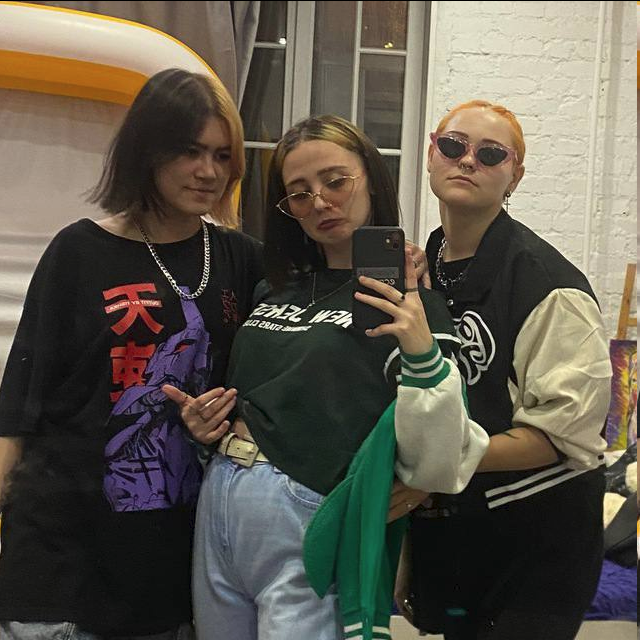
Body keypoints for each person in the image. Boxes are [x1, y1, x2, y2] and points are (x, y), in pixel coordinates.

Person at [164, 114, 489, 640]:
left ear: (371, 180)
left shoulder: (411, 304)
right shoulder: (274, 288)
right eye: (299, 193)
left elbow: (444, 453)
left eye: (336, 181)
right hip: (220, 497)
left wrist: (421, 347)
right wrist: (207, 426)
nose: (319, 202)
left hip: (308, 505)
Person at [0, 68, 264, 639]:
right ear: (148, 150)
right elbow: (19, 404)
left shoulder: (241, 260)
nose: (209, 171)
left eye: (222, 155)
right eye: (190, 151)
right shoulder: (79, 251)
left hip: (173, 570)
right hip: (61, 561)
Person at [399, 100, 612, 640]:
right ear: (431, 155)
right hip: (460, 531)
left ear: (514, 176)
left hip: (541, 541)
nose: (468, 160)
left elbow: (561, 436)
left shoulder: (551, 286)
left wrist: (435, 470)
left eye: (491, 154)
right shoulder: (425, 268)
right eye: (453, 145)